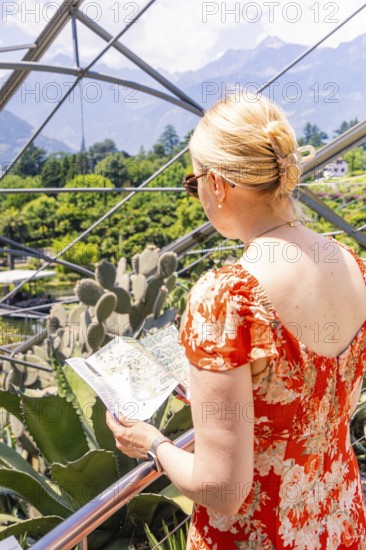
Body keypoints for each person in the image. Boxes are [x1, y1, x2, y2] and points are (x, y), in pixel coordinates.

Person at [106, 94, 366, 549]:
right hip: (338, 523)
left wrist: (152, 443)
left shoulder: (227, 297)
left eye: (193, 183)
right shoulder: (350, 263)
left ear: (219, 183)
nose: (198, 196)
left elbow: (222, 491)